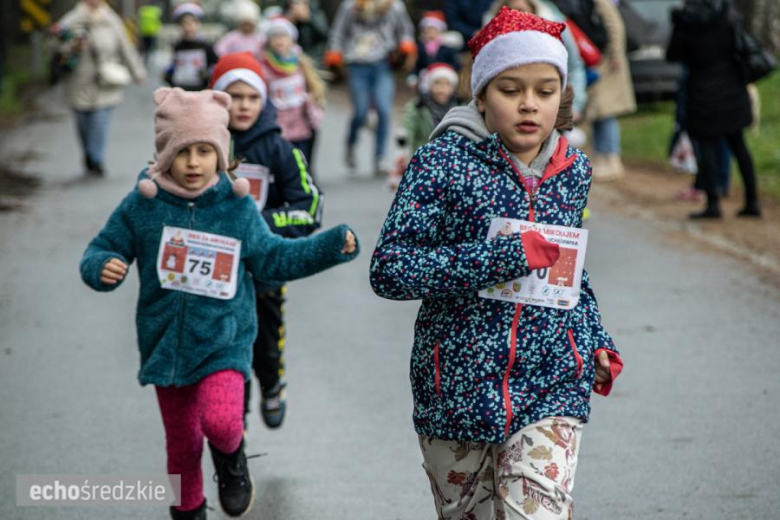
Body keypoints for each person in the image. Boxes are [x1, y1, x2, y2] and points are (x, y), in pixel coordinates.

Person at [370, 8, 623, 519]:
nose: (529, 104)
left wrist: (596, 338)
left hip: (551, 381)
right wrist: (502, 257)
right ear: (481, 95)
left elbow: (568, 268)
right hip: (457, 387)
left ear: (561, 96)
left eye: (545, 91)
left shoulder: (573, 171)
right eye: (510, 90)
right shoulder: (439, 163)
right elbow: (390, 269)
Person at [79, 87, 358, 520]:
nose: (193, 163)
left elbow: (273, 256)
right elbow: (100, 248)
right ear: (164, 152)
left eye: (205, 151)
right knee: (183, 446)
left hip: (224, 340)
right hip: (166, 347)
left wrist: (329, 247)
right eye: (183, 151)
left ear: (222, 155)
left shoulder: (236, 207)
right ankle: (188, 512)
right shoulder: (143, 204)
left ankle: (232, 458)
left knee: (223, 422)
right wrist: (103, 266)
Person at [209, 52, 324, 429]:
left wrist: (260, 226)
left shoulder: (279, 148)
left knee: (264, 344)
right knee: (223, 350)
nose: (243, 106)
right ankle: (232, 425)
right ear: (217, 97)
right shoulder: (202, 145)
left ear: (264, 100)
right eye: (234, 96)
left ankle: (272, 385)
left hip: (263, 270)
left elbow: (310, 207)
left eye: (252, 97)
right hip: (211, 272)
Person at [666, 0, 761, 218]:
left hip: (701, 90)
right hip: (730, 86)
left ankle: (713, 203)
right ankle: (752, 201)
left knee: (706, 147)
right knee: (738, 144)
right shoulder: (727, 13)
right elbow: (741, 46)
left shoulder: (685, 19)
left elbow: (672, 54)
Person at [55, 0, 146, 176]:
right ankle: (89, 153)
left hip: (105, 79)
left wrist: (137, 71)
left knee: (99, 120)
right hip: (78, 80)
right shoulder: (71, 20)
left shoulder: (112, 20)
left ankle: (96, 158)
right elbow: (55, 46)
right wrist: (73, 46)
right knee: (82, 121)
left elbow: (125, 47)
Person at [325, 0, 416, 176]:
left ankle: (379, 158)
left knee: (383, 109)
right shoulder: (349, 6)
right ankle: (351, 143)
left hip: (383, 64)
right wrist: (335, 52)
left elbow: (405, 29)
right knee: (360, 112)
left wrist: (406, 44)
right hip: (357, 65)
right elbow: (338, 32)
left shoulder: (394, 5)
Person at [485, 0, 588, 123]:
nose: (519, 18)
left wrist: (574, 106)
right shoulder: (489, 39)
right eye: (510, 91)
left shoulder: (554, 25)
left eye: (545, 92)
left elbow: (574, 67)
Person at [259, 17, 326, 168]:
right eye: (275, 37)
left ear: (292, 40)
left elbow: (312, 86)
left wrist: (312, 104)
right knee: (283, 164)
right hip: (278, 125)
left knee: (303, 162)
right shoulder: (264, 67)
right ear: (268, 41)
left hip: (301, 123)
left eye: (283, 36)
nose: (279, 41)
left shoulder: (299, 63)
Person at [585, 0, 636, 181]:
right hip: (600, 61)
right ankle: (601, 157)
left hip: (608, 63)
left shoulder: (602, 3)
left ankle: (612, 159)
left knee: (606, 112)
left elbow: (614, 26)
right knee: (599, 113)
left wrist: (615, 54)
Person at [164, 3, 218, 91]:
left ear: (198, 24)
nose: (188, 27)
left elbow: (216, 65)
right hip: (181, 91)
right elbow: (175, 65)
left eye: (192, 22)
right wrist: (169, 75)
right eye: (184, 23)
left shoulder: (206, 47)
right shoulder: (178, 46)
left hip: (200, 92)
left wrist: (208, 75)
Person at [412, 10, 461, 81]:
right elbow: (418, 65)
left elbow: (456, 64)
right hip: (425, 77)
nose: (431, 34)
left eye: (433, 31)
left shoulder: (447, 47)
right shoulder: (421, 48)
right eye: (427, 32)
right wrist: (415, 75)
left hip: (444, 77)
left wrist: (446, 69)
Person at [137, 0, 163, 66]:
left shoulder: (143, 10)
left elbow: (140, 21)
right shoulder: (156, 11)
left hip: (144, 32)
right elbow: (158, 20)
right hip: (152, 32)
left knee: (145, 47)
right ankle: (151, 61)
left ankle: (145, 60)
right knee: (152, 47)